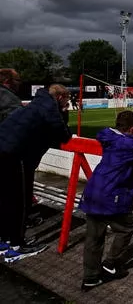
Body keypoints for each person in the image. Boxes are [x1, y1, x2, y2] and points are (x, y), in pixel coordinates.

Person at [79, 110, 133, 291]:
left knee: (94, 238)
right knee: (127, 225)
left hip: (93, 192)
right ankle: (111, 263)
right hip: (109, 196)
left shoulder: (108, 136)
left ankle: (90, 277)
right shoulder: (127, 144)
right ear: (132, 129)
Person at [0, 85, 72, 262]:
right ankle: (17, 246)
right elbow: (63, 134)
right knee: (20, 202)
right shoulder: (49, 107)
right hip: (15, 156)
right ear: (60, 96)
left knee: (6, 199)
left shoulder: (37, 103)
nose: (68, 102)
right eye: (67, 99)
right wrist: (63, 112)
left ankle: (4, 241)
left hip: (4, 150)